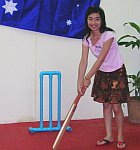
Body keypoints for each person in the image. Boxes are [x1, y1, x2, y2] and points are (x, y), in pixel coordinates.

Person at [77, 6, 130, 149]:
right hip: (102, 73)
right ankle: (108, 136)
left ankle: (120, 137)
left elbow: (100, 59)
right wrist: (79, 80)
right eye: (90, 19)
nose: (93, 22)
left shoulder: (109, 35)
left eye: (97, 19)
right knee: (106, 105)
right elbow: (84, 61)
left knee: (116, 107)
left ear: (102, 20)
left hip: (116, 72)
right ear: (86, 20)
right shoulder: (86, 38)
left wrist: (87, 78)